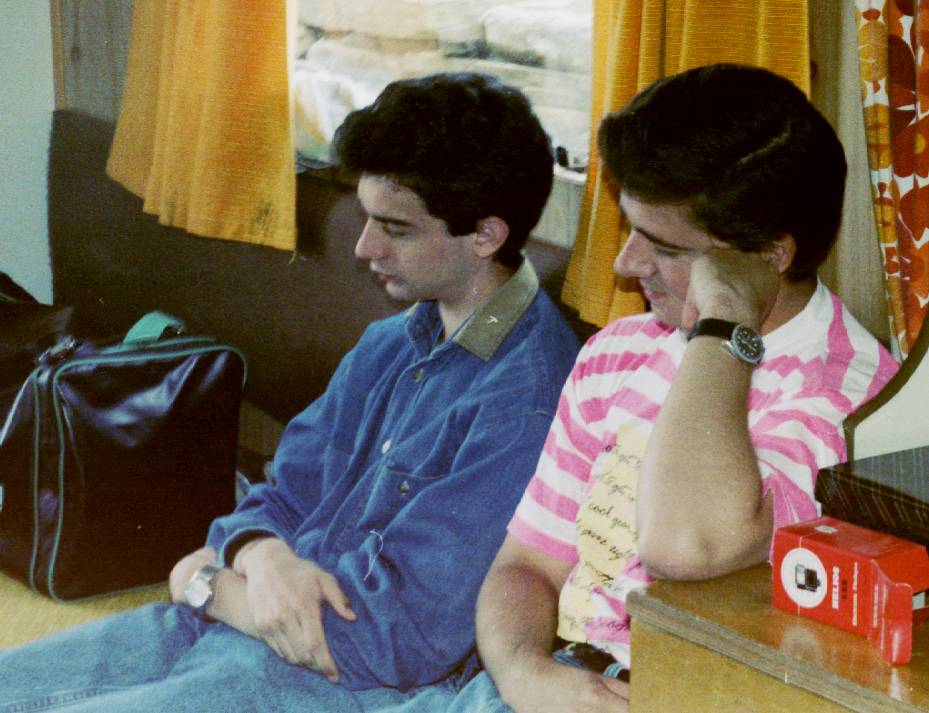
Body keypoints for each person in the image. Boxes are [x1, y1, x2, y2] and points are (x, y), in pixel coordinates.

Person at [0, 73, 580, 712]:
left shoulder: (525, 403)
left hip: (328, 681)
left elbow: (398, 642)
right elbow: (276, 495)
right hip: (236, 620)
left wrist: (206, 583)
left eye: (395, 228)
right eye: (365, 217)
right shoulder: (392, 341)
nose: (364, 247)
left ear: (485, 235)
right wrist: (265, 555)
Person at [384, 63, 900, 713]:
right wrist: (524, 674)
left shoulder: (855, 407)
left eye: (665, 247)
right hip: (538, 683)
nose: (625, 264)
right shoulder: (620, 351)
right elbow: (527, 564)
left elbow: (684, 545)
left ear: (768, 254)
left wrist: (724, 328)